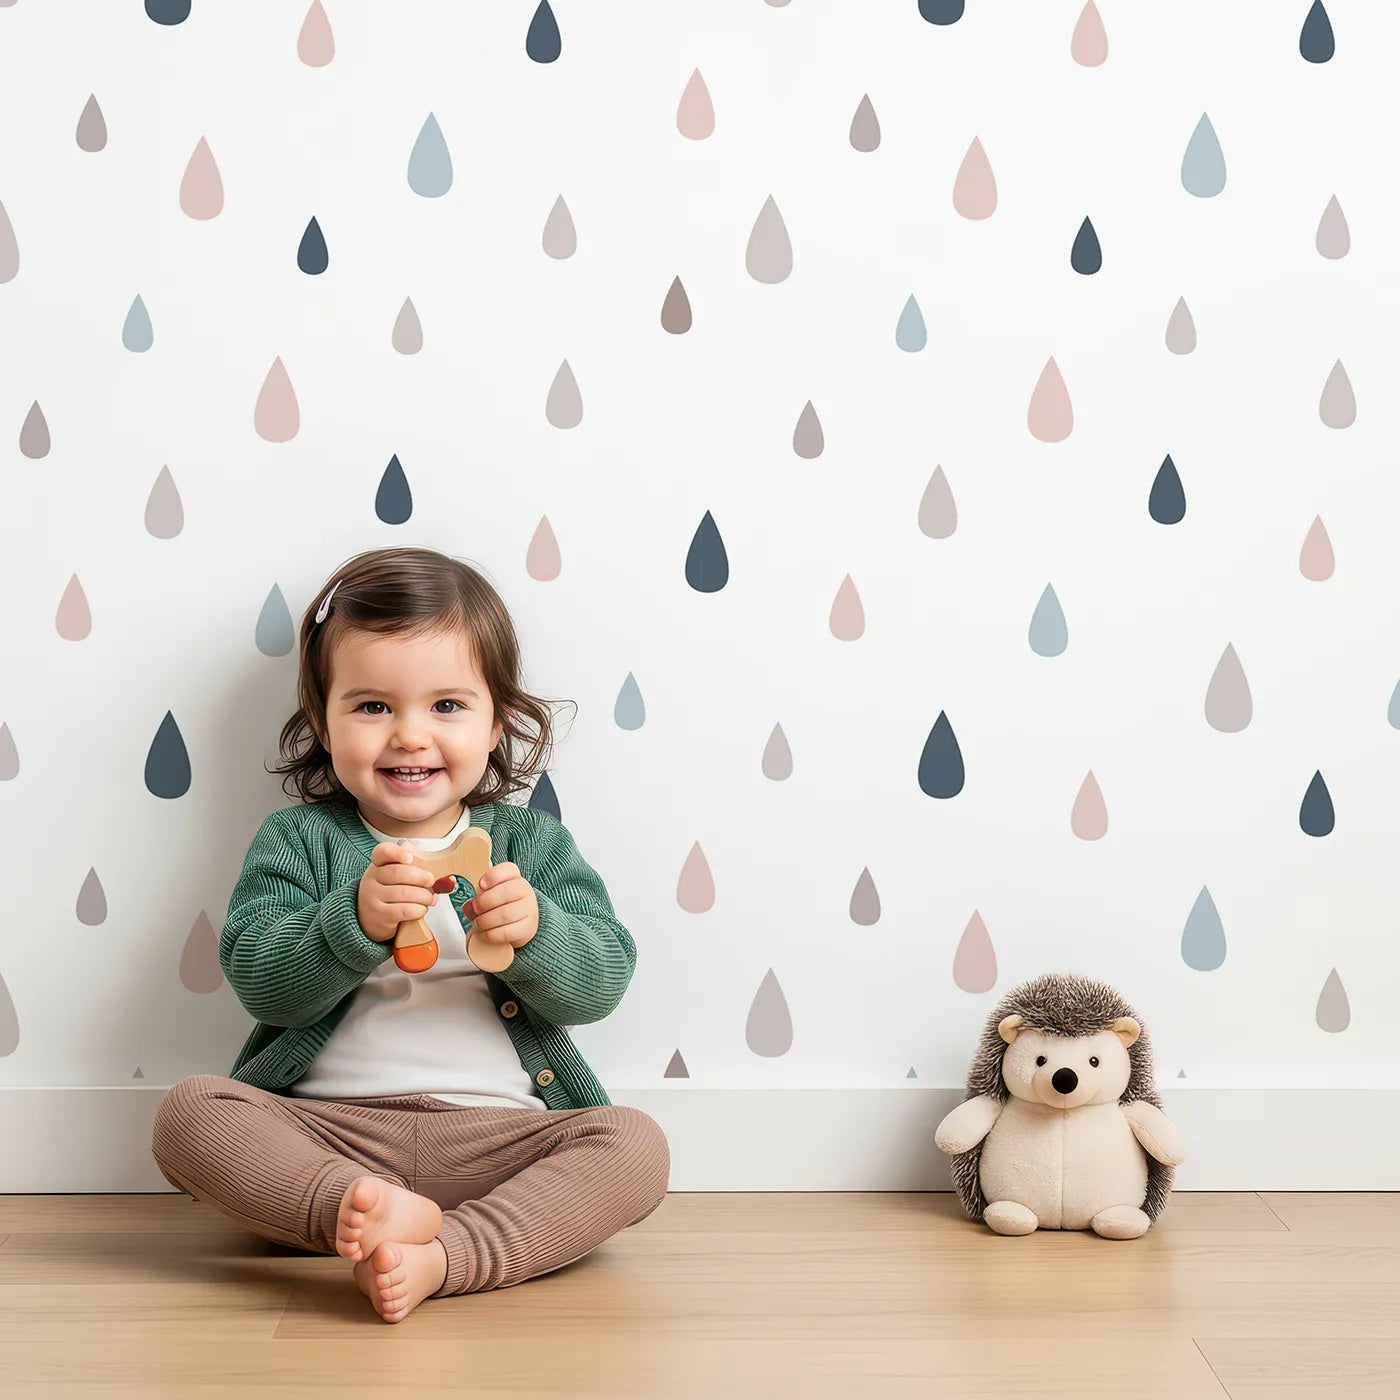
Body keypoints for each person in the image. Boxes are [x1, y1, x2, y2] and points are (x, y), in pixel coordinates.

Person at [151, 546, 669, 1323]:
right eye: (372, 706)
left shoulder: (533, 845)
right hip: (329, 1134)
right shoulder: (298, 841)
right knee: (190, 1112)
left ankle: (446, 1254)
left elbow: (604, 980)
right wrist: (348, 924)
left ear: (497, 723)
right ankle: (348, 1211)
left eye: (447, 706)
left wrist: (539, 935)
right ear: (323, 723)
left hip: (500, 1143)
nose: (409, 736)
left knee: (634, 1144)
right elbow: (260, 978)